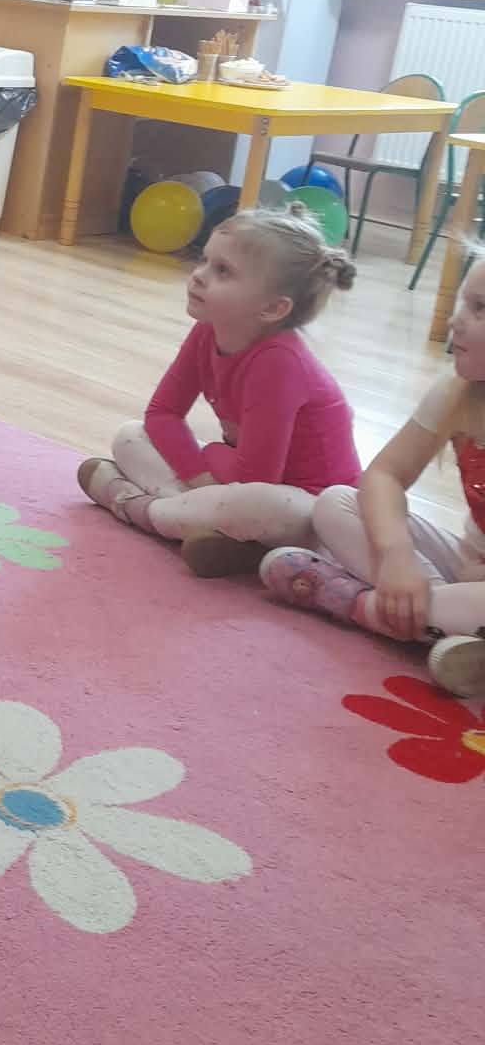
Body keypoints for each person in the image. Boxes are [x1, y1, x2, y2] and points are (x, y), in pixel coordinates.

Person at [77, 207, 360, 576]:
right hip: (238, 485)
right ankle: (215, 531)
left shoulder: (279, 362)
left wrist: (206, 457)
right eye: (204, 260)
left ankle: (140, 508)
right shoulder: (208, 330)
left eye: (223, 271)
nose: (199, 275)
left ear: (273, 308)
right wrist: (201, 476)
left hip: (312, 515)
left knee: (256, 502)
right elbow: (162, 414)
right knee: (130, 436)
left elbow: (257, 478)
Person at [262, 249, 485, 697]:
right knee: (335, 503)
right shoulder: (457, 391)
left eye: (480, 309)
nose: (455, 320)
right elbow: (384, 475)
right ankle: (434, 619)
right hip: (466, 572)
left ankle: (356, 603)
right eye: (463, 301)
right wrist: (397, 557)